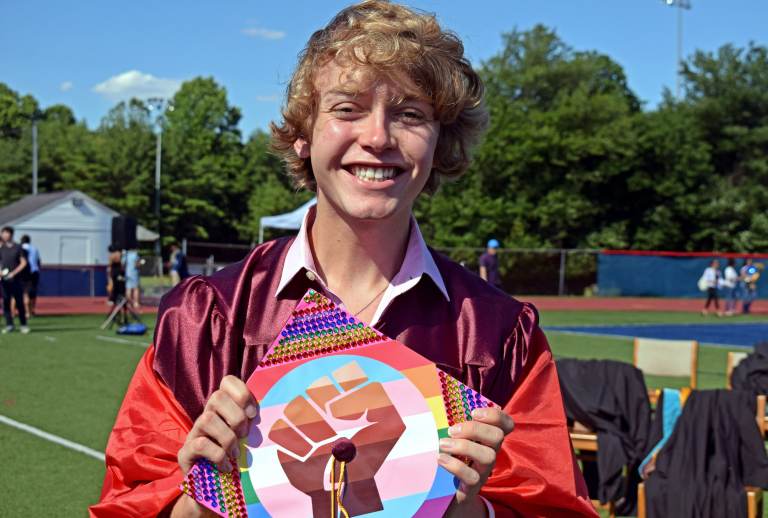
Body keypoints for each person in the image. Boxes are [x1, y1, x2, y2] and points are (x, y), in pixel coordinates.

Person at [92, 2, 596, 517]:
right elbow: (126, 501)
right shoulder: (206, 320)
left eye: (409, 114)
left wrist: (471, 510)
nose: (377, 137)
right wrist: (197, 503)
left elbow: (556, 506)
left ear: (440, 142)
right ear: (303, 135)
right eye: (347, 108)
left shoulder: (497, 336)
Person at [0, 226, 29, 334]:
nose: (4, 235)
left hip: (16, 280)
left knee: (19, 302)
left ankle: (23, 325)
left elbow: (23, 263)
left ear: (11, 234)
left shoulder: (18, 248)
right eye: (3, 233)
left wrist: (13, 273)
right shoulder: (1, 248)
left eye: (6, 233)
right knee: (6, 303)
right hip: (4, 281)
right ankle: (9, 325)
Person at [19, 234, 41, 318]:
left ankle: (26, 312)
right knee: (33, 293)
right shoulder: (35, 248)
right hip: (35, 272)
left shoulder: (20, 248)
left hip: (25, 272)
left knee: (25, 293)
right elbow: (38, 261)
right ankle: (32, 310)